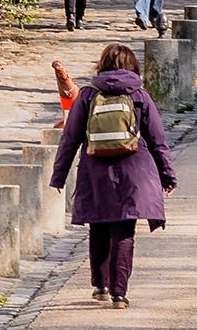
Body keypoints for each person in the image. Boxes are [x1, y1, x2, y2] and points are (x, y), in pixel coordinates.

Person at [49, 41, 176, 308]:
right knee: (124, 231)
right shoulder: (139, 95)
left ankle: (101, 286)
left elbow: (70, 139)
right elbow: (158, 140)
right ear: (132, 66)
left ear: (102, 64)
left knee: (98, 226)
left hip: (95, 171)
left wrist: (58, 176)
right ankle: (119, 293)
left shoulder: (87, 95)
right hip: (134, 172)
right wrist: (168, 175)